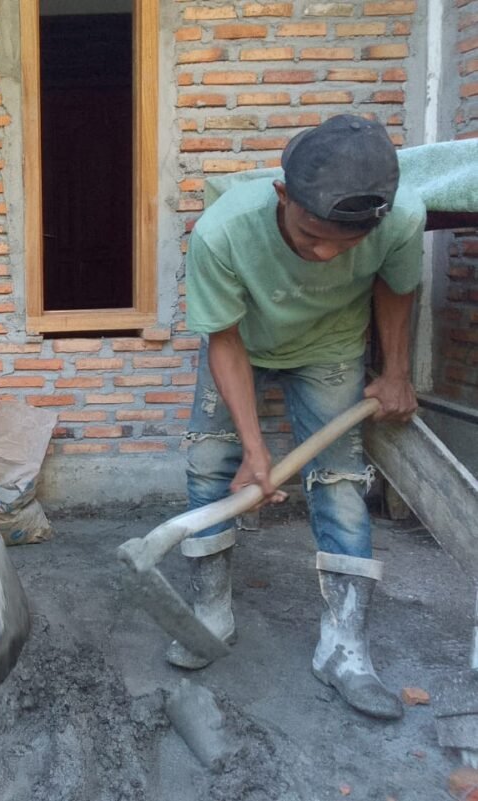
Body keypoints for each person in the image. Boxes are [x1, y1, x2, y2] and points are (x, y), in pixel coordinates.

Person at [174, 114, 425, 720]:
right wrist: (255, 449)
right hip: (244, 342)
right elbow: (224, 339)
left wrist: (395, 372)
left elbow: (396, 286)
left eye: (347, 243)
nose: (326, 254)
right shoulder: (223, 232)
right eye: (312, 236)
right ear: (282, 195)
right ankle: (210, 613)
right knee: (210, 462)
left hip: (330, 347)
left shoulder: (400, 219)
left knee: (340, 480)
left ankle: (344, 648)